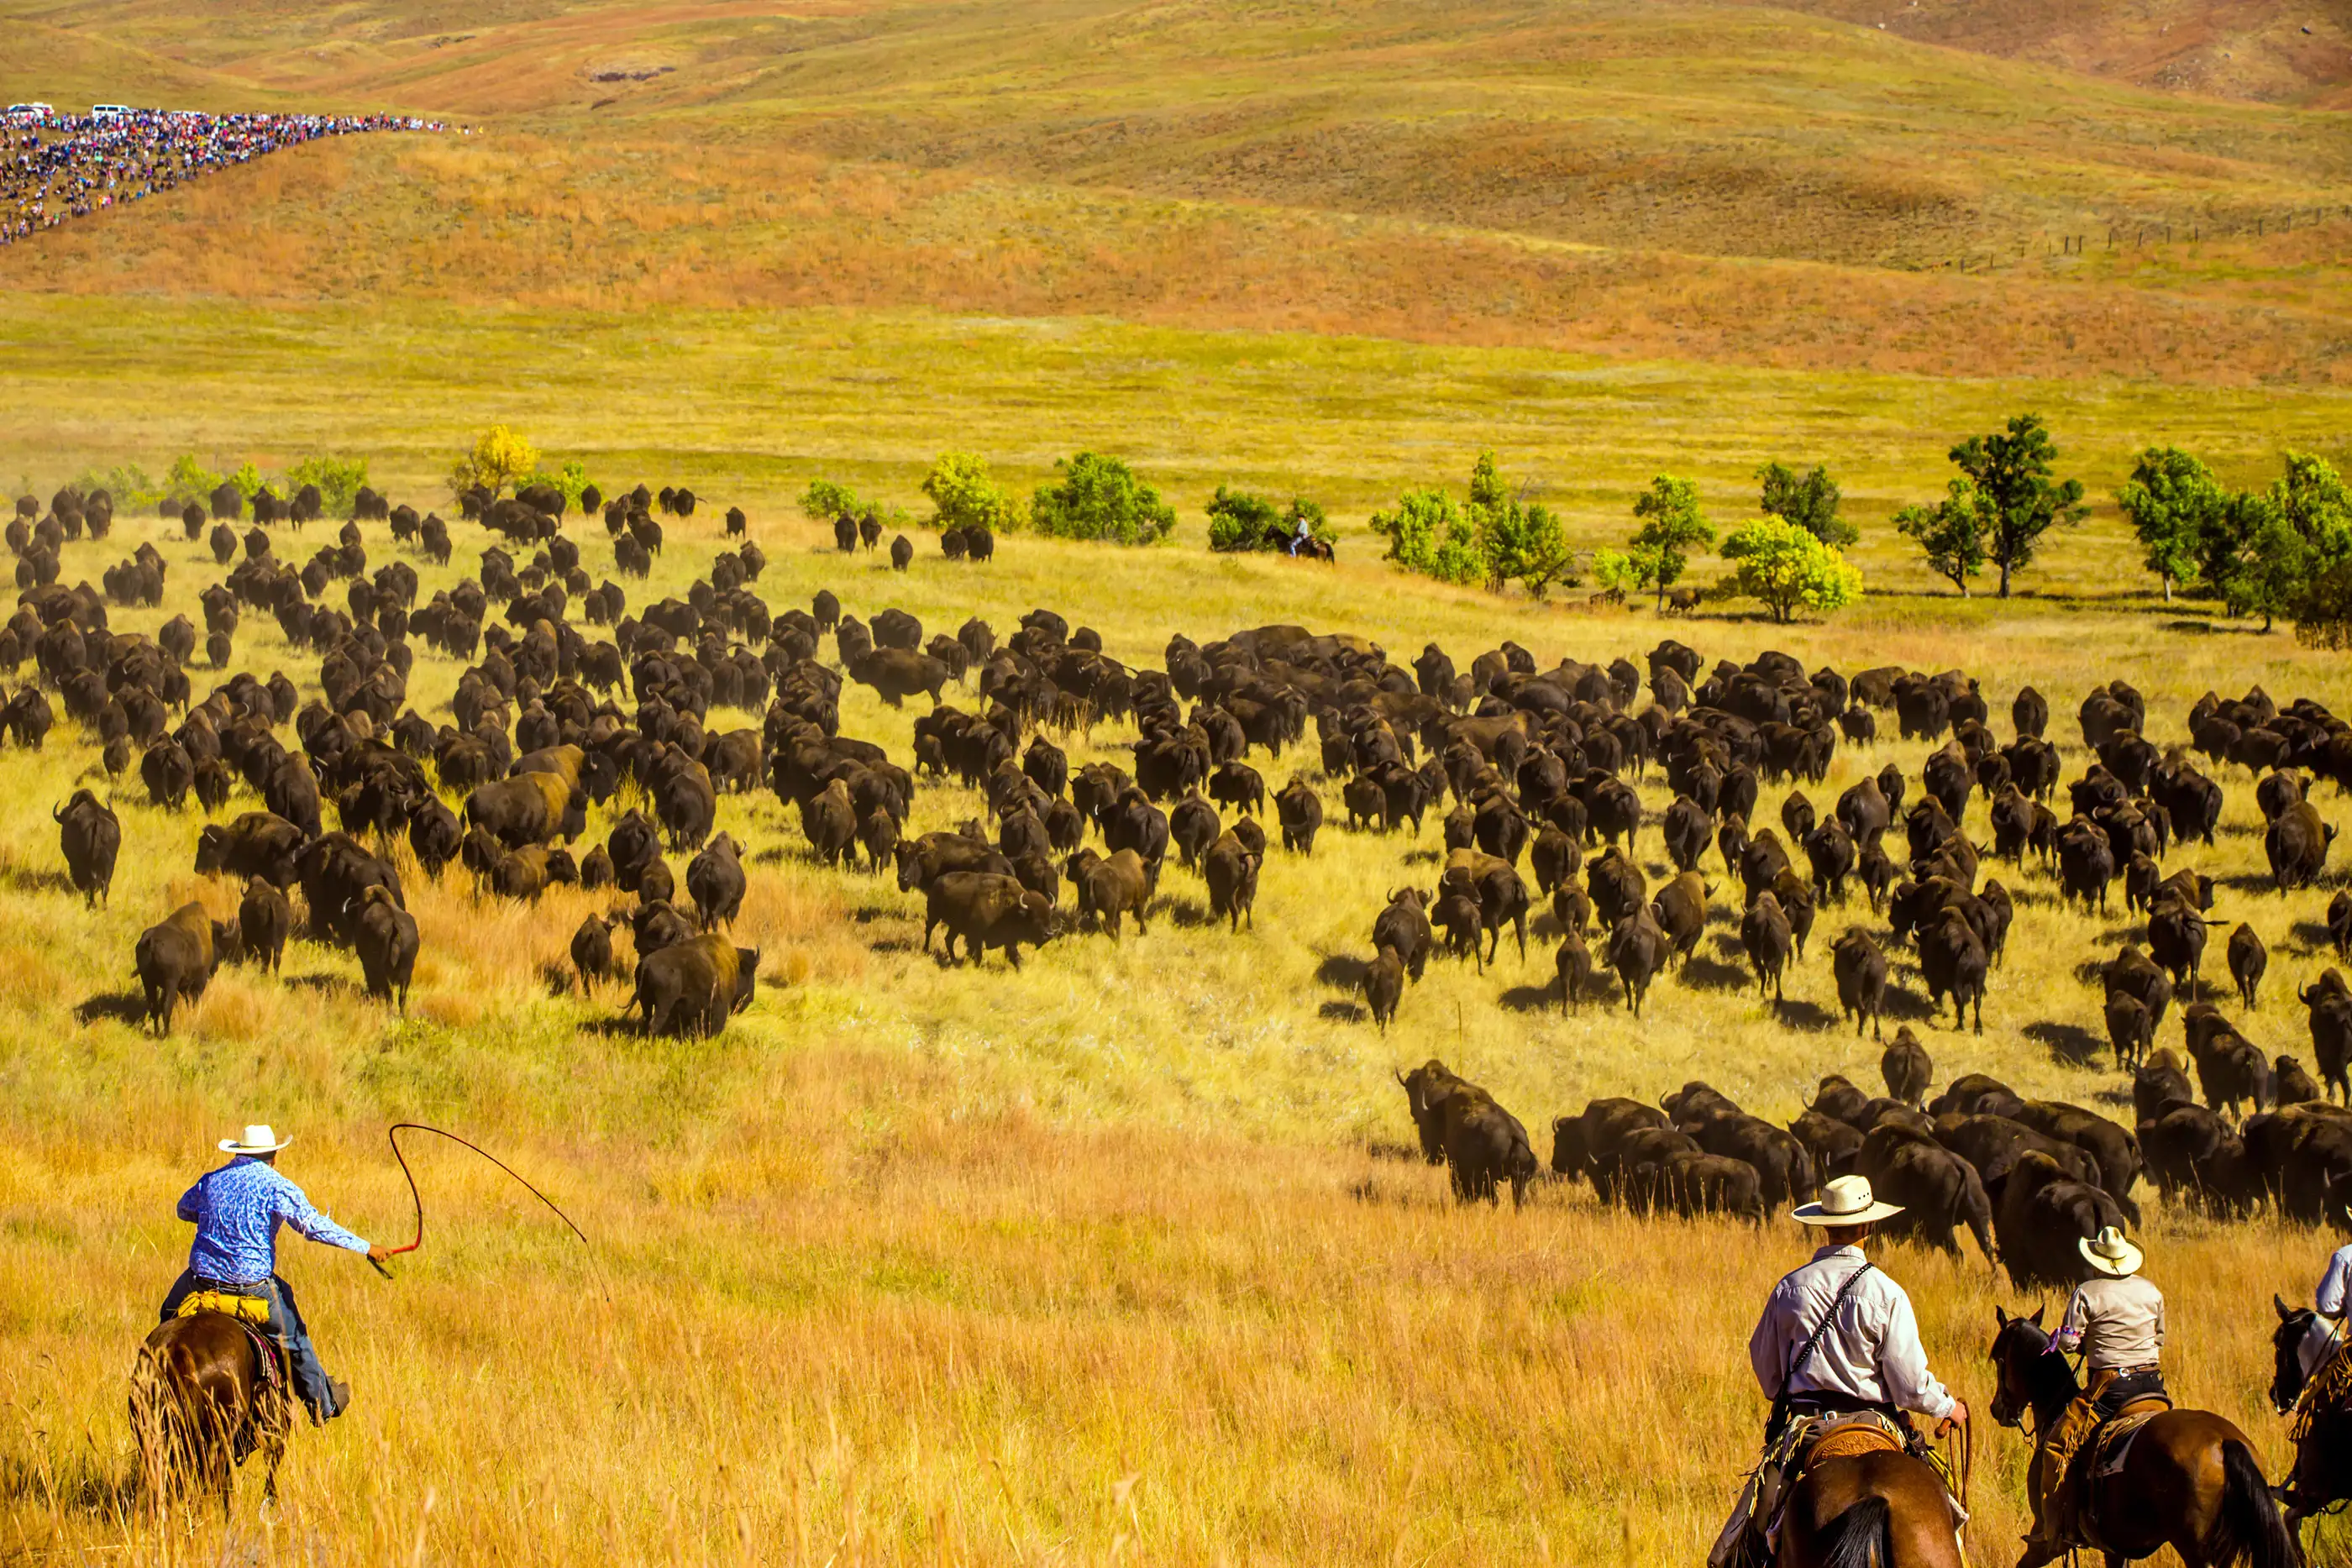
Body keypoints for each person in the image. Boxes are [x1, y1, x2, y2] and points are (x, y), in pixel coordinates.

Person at [1710, 1174, 1967, 1568]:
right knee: (1948, 1519)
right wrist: (1947, 1407)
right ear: (1868, 1226)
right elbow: (1911, 1386)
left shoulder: (1789, 1289)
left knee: (1743, 1540)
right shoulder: (1887, 1292)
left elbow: (1768, 1376)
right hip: (1878, 1423)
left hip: (1806, 1429)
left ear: (1825, 1224)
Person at [158, 1124, 388, 1424]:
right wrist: (366, 1247)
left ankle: (156, 1380)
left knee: (167, 1320)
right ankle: (323, 1404)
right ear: (274, 1157)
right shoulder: (277, 1186)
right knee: (295, 1340)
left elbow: (183, 1210)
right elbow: (314, 1227)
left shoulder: (211, 1181)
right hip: (252, 1288)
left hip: (199, 1283)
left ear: (239, 1151)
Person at [2026, 1225, 2167, 1550]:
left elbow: (2069, 1342)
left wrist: (2074, 1342)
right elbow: (2159, 1338)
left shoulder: (2087, 1292)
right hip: (2152, 1386)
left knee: (2057, 1446)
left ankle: (2056, 1527)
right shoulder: (2151, 1290)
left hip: (2110, 1389)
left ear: (2097, 1260)